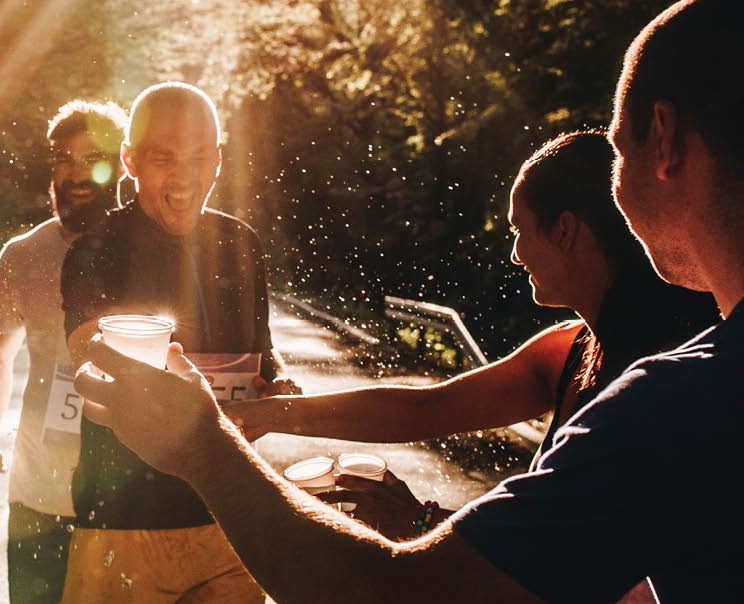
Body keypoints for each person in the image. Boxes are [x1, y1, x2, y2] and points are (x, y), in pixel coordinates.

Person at [71, 1, 744, 604]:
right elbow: (421, 411)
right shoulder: (623, 366)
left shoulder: (676, 409)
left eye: (620, 151)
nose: (615, 185)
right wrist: (271, 416)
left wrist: (204, 447)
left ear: (666, 140)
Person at [230, 130, 717, 541]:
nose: (515, 255)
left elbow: (582, 567)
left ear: (565, 231)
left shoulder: (668, 380)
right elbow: (425, 410)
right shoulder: (570, 348)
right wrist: (266, 415)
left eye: (518, 230)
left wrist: (422, 522)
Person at [59, 81, 300, 604]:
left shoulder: (242, 243)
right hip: (123, 518)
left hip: (230, 509)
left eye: (199, 157)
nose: (184, 177)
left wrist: (280, 381)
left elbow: (262, 353)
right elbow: (88, 360)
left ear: (219, 159)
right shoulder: (97, 249)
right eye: (164, 158)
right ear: (130, 161)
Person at [0, 99, 128, 604]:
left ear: (122, 163)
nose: (76, 173)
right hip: (37, 497)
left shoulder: (151, 252)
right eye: (63, 159)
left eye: (93, 158)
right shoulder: (22, 254)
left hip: (129, 501)